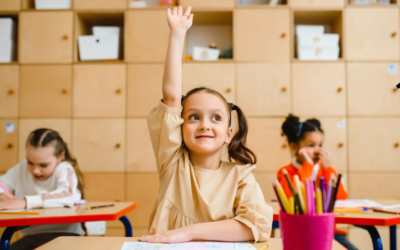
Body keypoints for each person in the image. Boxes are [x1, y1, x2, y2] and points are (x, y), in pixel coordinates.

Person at [139, 6, 272, 244]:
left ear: (228, 134)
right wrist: (177, 35)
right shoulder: (172, 163)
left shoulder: (240, 176)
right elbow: (171, 97)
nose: (204, 125)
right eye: (193, 117)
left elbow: (255, 226)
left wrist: (189, 232)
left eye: (216, 118)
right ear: (179, 126)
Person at [277, 114, 358, 250]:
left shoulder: (323, 170)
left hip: (330, 234)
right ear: (294, 147)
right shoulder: (285, 172)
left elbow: (341, 198)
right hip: (300, 234)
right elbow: (294, 197)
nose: (318, 150)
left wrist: (328, 169)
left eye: (320, 145)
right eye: (311, 145)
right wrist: (307, 166)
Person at [0, 128, 85, 250]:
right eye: (30, 162)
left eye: (43, 165)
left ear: (59, 157)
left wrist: (24, 202)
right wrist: (1, 194)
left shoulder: (64, 169)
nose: (35, 170)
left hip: (66, 235)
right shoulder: (21, 169)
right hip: (31, 236)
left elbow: (68, 194)